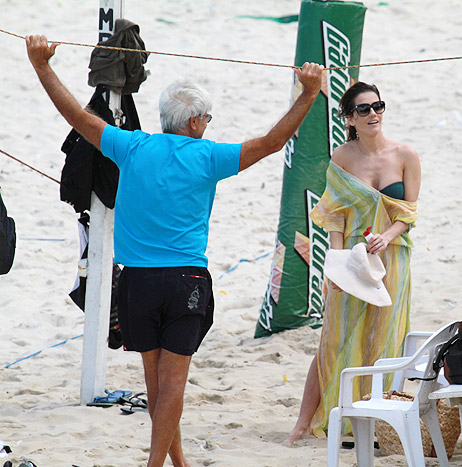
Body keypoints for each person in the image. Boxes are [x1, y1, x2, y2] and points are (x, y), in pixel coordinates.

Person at [26, 34, 323, 467]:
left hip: (136, 283)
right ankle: (156, 465)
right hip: (184, 280)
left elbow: (74, 114)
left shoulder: (132, 146)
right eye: (207, 118)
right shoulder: (207, 155)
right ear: (196, 122)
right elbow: (273, 141)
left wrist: (41, 66)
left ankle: (178, 461)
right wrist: (309, 93)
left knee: (156, 386)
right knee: (173, 387)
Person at [284, 82, 421, 445]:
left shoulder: (405, 155)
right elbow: (335, 218)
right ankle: (304, 421)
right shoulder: (342, 157)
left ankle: (372, 422)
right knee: (334, 337)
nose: (373, 114)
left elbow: (408, 213)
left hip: (392, 259)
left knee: (384, 338)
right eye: (364, 109)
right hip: (352, 261)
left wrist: (387, 237)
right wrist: (337, 267)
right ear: (349, 118)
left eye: (378, 106)